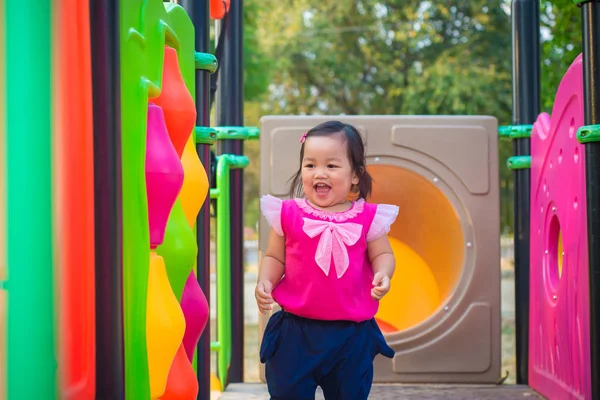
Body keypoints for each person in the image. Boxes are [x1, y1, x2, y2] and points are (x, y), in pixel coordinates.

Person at [255, 120, 399, 400]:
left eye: (331, 166)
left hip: (351, 335)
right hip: (296, 332)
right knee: (287, 393)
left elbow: (382, 253)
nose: (319, 173)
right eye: (310, 165)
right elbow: (275, 256)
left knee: (350, 393)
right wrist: (265, 280)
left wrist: (383, 272)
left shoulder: (367, 217)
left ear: (355, 175)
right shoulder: (287, 213)